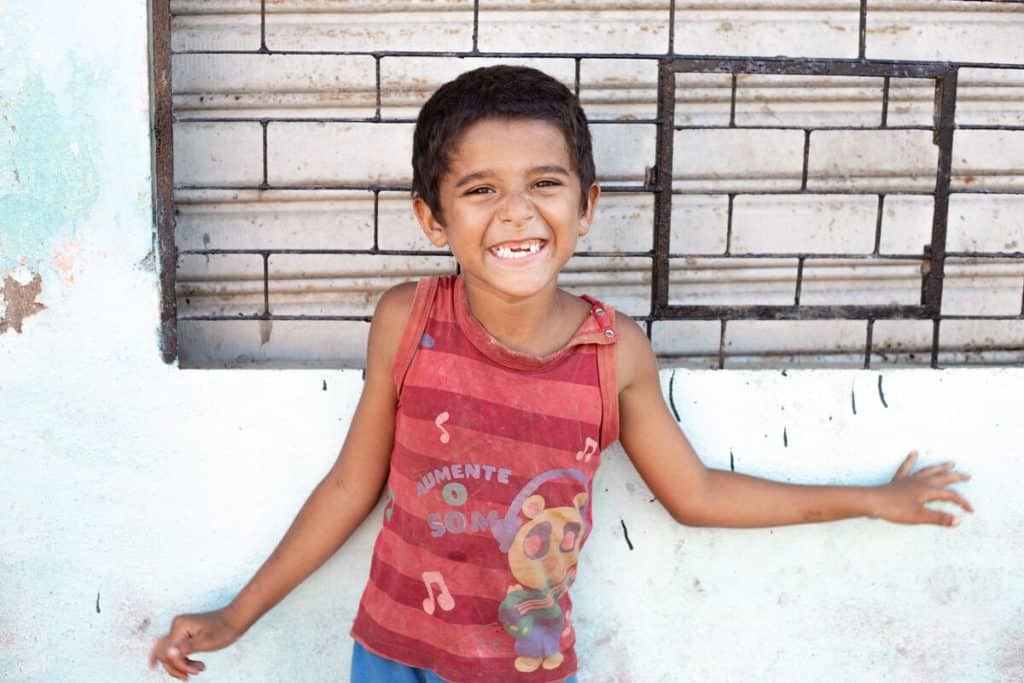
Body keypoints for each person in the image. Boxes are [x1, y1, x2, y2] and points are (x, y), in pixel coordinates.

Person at [149, 65, 973, 682]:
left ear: (587, 205)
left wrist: (871, 498)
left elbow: (698, 495)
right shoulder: (408, 320)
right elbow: (349, 488)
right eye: (479, 189)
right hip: (389, 652)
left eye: (545, 183)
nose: (515, 211)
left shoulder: (615, 355)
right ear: (432, 218)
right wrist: (237, 611)